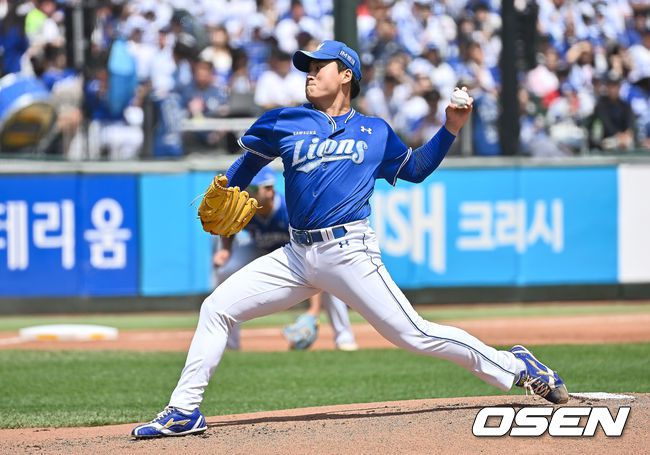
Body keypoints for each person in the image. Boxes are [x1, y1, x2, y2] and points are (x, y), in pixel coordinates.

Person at [131, 40, 568, 439]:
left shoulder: (375, 131)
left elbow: (414, 169)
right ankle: (184, 410)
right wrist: (229, 185)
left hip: (349, 251)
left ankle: (517, 365)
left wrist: (450, 128)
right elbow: (249, 162)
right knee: (217, 308)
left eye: (319, 66)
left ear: (346, 75)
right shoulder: (285, 120)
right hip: (296, 255)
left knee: (414, 334)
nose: (309, 73)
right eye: (307, 67)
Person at [213, 167, 358, 352]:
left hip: (296, 254)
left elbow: (311, 257)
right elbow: (230, 226)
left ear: (269, 190)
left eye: (253, 189)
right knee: (225, 271)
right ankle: (230, 345)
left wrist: (313, 312)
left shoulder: (289, 210)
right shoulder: (246, 207)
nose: (248, 193)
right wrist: (225, 250)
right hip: (259, 250)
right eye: (247, 189)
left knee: (329, 277)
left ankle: (344, 338)